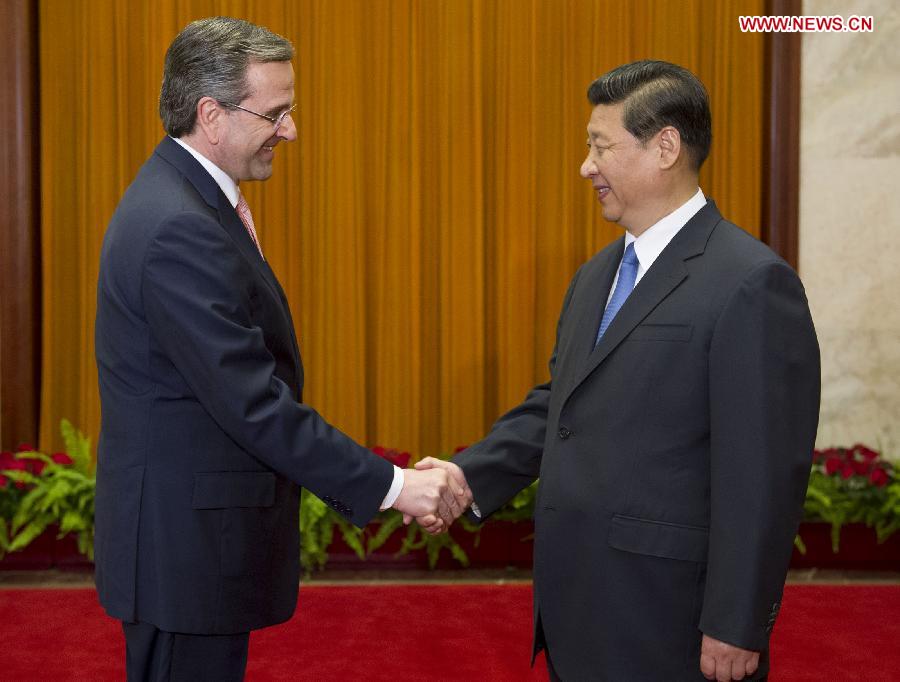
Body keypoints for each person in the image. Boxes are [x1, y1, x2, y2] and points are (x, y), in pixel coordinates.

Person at [418, 60, 820, 681]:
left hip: (670, 619)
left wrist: (737, 623)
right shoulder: (595, 277)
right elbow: (564, 405)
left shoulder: (751, 282)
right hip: (580, 605)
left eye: (600, 145)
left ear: (665, 147)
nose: (586, 166)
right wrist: (468, 476)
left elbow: (762, 473)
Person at [94, 17, 465, 682]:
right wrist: (395, 486)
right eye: (277, 112)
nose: (290, 130)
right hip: (184, 559)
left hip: (189, 550)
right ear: (211, 114)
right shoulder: (178, 227)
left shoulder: (185, 204)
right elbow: (254, 405)